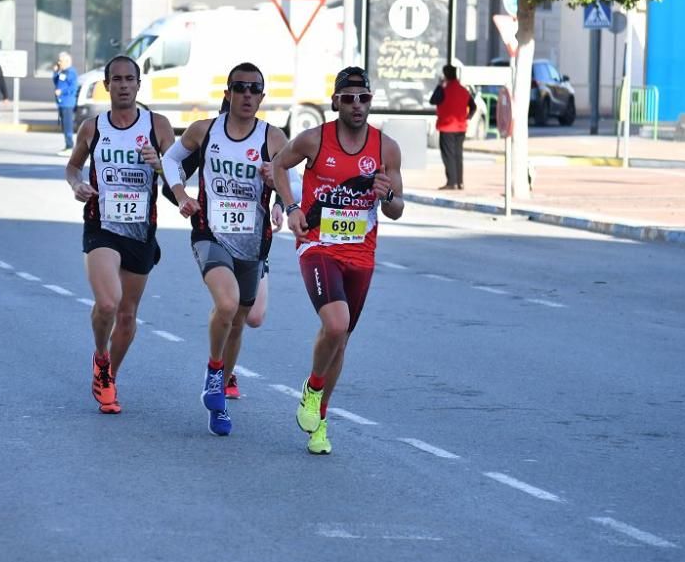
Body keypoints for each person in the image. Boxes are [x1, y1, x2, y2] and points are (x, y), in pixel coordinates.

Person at [272, 66, 404, 455]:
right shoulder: (314, 140)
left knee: (340, 340)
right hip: (317, 245)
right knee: (336, 322)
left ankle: (320, 420)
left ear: (370, 101)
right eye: (349, 98)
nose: (357, 105)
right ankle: (313, 388)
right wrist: (292, 206)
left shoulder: (386, 148)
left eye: (364, 98)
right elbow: (279, 165)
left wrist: (386, 195)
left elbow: (397, 208)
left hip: (361, 252)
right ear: (336, 102)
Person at [161, 62, 289, 436]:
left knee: (238, 323)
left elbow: (290, 176)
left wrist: (280, 198)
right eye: (240, 88)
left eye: (254, 89)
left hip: (253, 241)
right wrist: (182, 194)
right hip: (210, 233)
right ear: (228, 93)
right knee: (228, 304)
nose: (247, 95)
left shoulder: (274, 138)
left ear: (262, 97)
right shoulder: (205, 130)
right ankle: (215, 374)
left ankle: (221, 386)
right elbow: (171, 159)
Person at [65, 55, 175, 415]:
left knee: (127, 315)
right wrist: (77, 184)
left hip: (142, 231)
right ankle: (100, 355)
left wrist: (160, 164)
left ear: (139, 85)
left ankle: (108, 374)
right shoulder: (92, 128)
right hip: (102, 225)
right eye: (117, 79)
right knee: (108, 303)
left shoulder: (157, 125)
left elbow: (177, 179)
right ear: (107, 85)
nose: (124, 85)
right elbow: (73, 167)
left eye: (131, 79)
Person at [429, 64, 475, 191]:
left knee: (448, 155)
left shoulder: (444, 90)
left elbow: (433, 100)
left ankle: (452, 182)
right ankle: (460, 182)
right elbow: (473, 106)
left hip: (447, 127)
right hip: (461, 127)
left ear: (445, 76)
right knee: (458, 155)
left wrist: (439, 85)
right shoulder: (464, 90)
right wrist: (468, 117)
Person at [53, 51, 78, 155]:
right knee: (64, 125)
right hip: (61, 103)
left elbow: (73, 87)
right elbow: (56, 82)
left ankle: (70, 146)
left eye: (61, 61)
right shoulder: (62, 72)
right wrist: (55, 72)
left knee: (68, 125)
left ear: (67, 61)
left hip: (67, 102)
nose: (59, 63)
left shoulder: (71, 72)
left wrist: (62, 91)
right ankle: (67, 145)